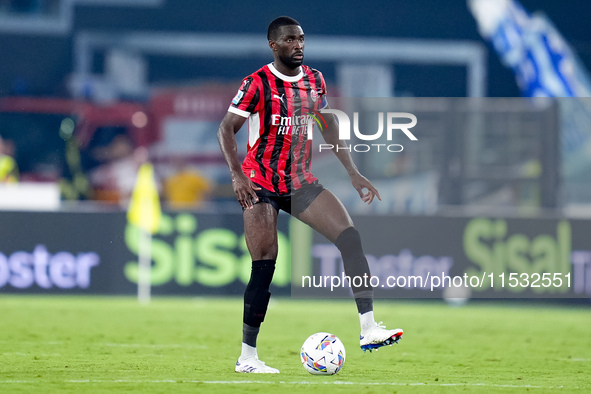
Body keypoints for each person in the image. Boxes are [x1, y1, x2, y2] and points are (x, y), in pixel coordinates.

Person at [217, 16, 403, 374]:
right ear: (274, 45)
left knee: (350, 238)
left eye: (301, 39)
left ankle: (368, 330)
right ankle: (248, 357)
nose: (298, 45)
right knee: (264, 265)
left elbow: (326, 121)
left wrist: (352, 171)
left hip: (301, 182)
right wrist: (237, 174)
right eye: (290, 40)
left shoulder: (314, 80)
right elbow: (226, 128)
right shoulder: (257, 84)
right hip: (261, 185)